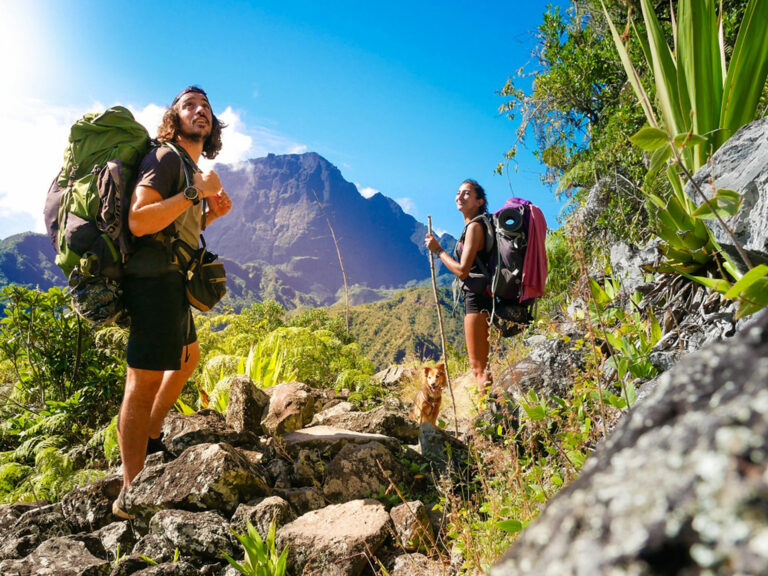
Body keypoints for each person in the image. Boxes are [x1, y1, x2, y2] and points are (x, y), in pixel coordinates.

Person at [112, 86, 232, 519]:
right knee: (141, 382)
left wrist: (209, 212)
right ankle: (130, 493)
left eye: (206, 107)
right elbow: (140, 220)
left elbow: (177, 223)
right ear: (174, 117)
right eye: (189, 106)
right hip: (151, 281)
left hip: (173, 280)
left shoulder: (187, 167)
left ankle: (151, 435)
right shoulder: (165, 158)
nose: (200, 111)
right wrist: (194, 194)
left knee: (187, 359)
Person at [425, 179, 492, 394]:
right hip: (480, 296)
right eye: (458, 193)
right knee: (482, 366)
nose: (460, 197)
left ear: (480, 201)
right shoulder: (473, 226)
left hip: (477, 298)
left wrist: (438, 250)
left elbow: (463, 271)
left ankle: (489, 419)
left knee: (478, 368)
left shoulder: (474, 227)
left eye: (466, 194)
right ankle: (492, 415)